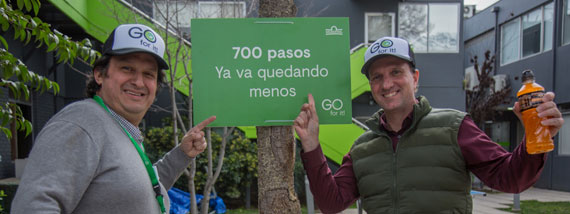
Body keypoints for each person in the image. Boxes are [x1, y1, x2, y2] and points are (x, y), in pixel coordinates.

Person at [294, 36, 564, 214]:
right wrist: (311, 145)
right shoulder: (362, 148)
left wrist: (534, 138)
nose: (386, 84)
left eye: (396, 72)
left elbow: (511, 178)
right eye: (377, 77)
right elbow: (331, 202)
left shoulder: (454, 126)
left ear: (415, 77)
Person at [12, 23, 216, 214]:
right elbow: (33, 205)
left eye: (149, 74)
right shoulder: (80, 123)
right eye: (127, 68)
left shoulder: (119, 127)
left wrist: (182, 154)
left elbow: (143, 187)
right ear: (100, 74)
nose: (138, 81)